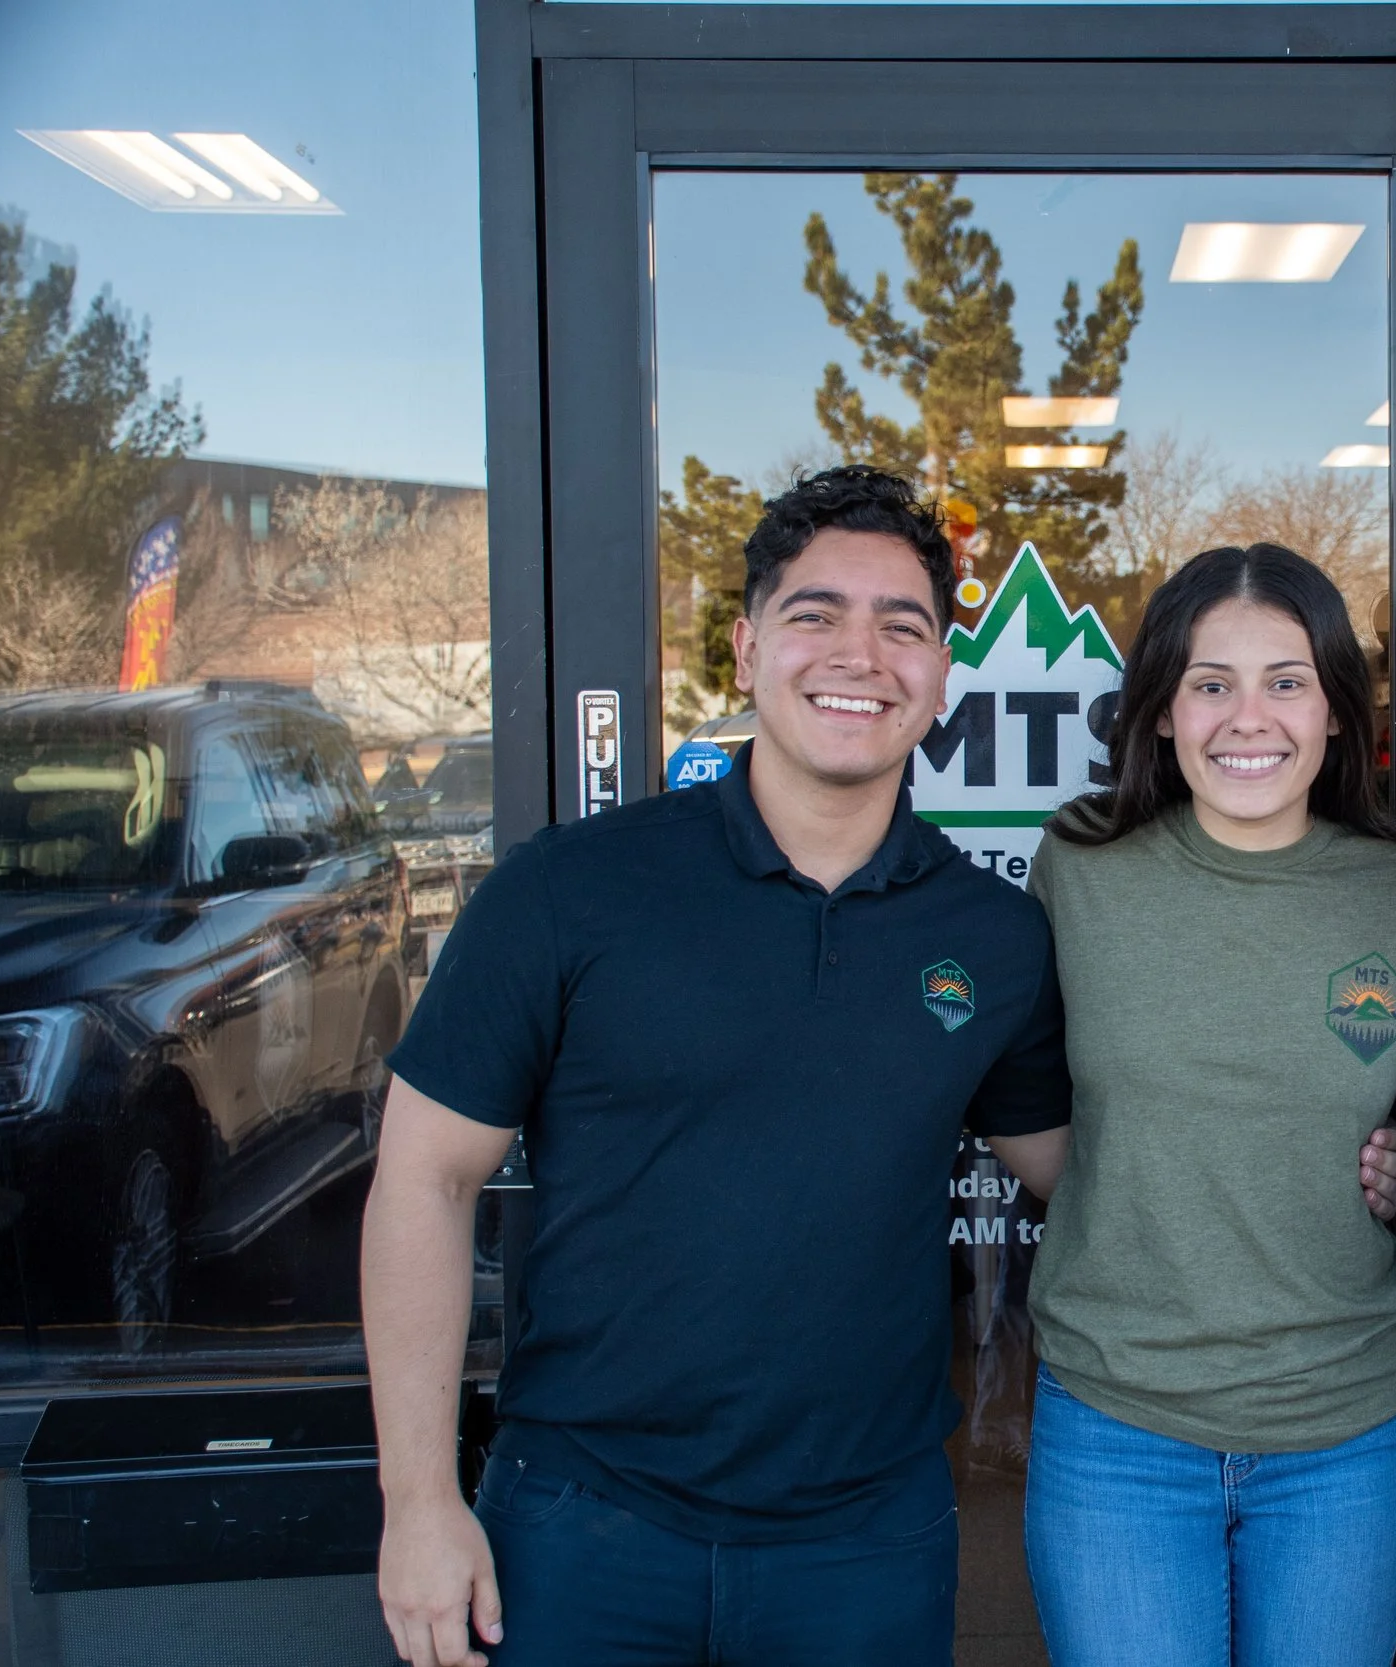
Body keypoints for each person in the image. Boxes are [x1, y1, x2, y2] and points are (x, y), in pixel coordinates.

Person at [362, 466, 1079, 1667]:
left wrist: (1356, 1155)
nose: (862, 653)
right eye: (816, 615)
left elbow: (1083, 1176)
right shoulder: (570, 889)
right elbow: (423, 1181)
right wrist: (421, 1501)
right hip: (581, 1519)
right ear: (746, 649)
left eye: (903, 625)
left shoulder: (990, 936)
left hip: (865, 1539)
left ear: (942, 673)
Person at [1016, 543, 1396, 1667]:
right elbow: (1031, 1100)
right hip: (1116, 1422)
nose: (1247, 716)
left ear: (1335, 714)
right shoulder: (1081, 862)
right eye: (1210, 682)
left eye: (1287, 679)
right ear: (1161, 711)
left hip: (1347, 1429)